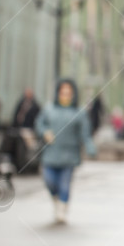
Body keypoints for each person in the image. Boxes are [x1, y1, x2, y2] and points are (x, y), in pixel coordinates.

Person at [35, 79, 97, 224]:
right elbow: (39, 123)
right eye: (63, 93)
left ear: (73, 94)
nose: (65, 95)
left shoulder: (79, 112)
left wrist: (90, 147)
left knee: (64, 184)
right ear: (58, 93)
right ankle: (57, 200)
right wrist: (45, 132)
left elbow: (85, 133)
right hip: (51, 154)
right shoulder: (49, 109)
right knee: (49, 181)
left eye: (68, 93)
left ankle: (62, 209)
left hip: (69, 155)